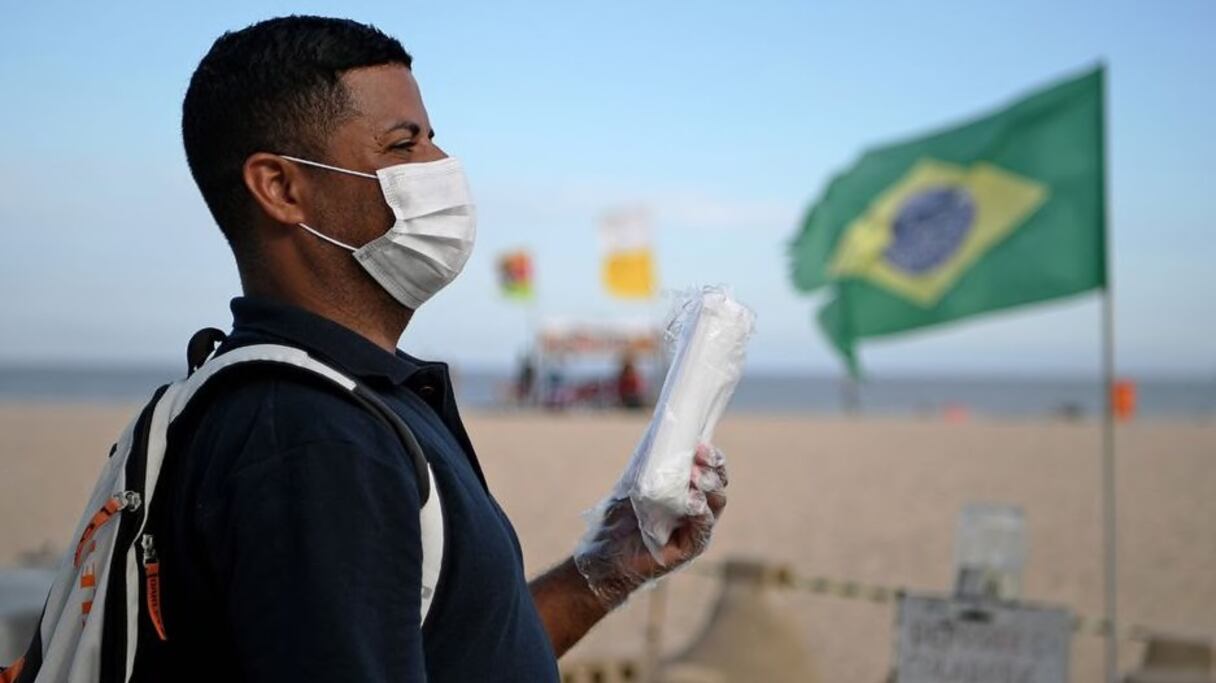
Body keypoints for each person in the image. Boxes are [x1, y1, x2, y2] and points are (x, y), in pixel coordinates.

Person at [132, 16, 728, 683]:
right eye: (403, 143)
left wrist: (607, 567)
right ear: (281, 188)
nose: (441, 167)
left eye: (433, 139)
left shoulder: (348, 400)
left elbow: (460, 654)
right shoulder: (314, 440)